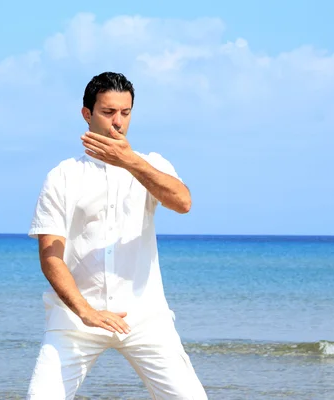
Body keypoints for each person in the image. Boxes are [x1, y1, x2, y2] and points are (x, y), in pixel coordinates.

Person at [26, 72, 207, 399]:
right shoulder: (63, 175)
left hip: (146, 318)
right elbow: (50, 256)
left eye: (125, 113)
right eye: (108, 112)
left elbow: (183, 203)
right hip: (75, 318)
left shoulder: (151, 164)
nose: (118, 122)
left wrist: (130, 162)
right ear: (87, 114)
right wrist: (85, 311)